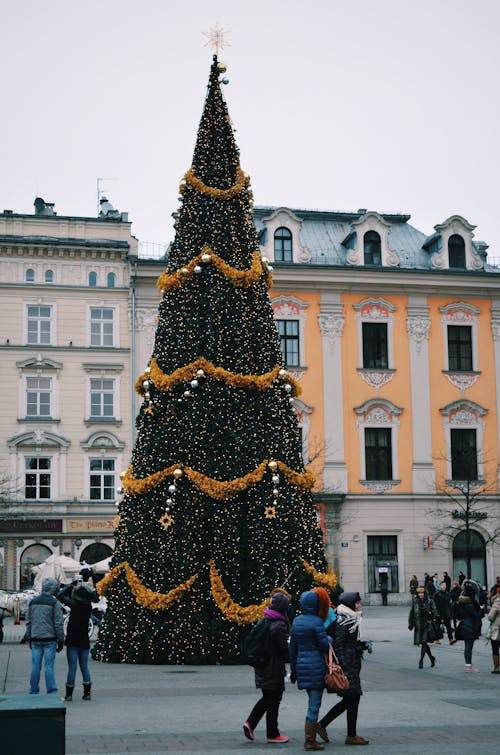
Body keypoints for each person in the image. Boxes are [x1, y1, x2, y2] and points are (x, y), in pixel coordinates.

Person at [316, 591, 369, 746]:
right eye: (357, 602)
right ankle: (350, 735)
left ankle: (325, 725)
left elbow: (348, 643)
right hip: (348, 666)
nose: (359, 605)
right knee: (353, 697)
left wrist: (361, 646)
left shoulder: (350, 618)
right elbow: (339, 645)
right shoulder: (343, 620)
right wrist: (345, 666)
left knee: (350, 699)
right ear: (350, 603)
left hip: (351, 663)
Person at [243, 590, 291, 744]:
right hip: (273, 668)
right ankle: (272, 733)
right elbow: (284, 650)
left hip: (261, 666)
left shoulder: (264, 620)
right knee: (273, 699)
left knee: (268, 698)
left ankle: (251, 724)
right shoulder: (280, 625)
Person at [290, 589, 331, 751]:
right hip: (316, 668)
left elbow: (292, 648)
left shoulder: (296, 621)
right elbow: (324, 645)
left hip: (302, 667)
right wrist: (329, 638)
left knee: (311, 702)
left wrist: (293, 669)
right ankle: (310, 740)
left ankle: (310, 738)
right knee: (314, 705)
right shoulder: (316, 622)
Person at [58, 579, 99, 701]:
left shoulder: (74, 604)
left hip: (72, 640)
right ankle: (87, 693)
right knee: (84, 667)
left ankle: (69, 694)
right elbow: (95, 595)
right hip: (84, 640)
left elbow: (60, 596)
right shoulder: (88, 606)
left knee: (72, 667)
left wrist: (70, 585)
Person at [26, 577, 65, 695]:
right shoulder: (55, 603)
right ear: (53, 589)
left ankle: (33, 690)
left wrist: (29, 636)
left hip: (35, 638)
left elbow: (28, 621)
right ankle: (51, 691)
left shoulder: (33, 602)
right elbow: (58, 624)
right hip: (50, 639)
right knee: (49, 667)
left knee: (35, 666)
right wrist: (61, 640)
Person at [455, 579, 483, 672]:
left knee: (467, 647)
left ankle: (468, 665)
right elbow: (476, 615)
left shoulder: (462, 603)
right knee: (468, 648)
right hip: (470, 627)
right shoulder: (470, 605)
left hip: (464, 626)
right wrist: (482, 610)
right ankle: (469, 666)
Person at [408, 586, 438, 669]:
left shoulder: (430, 601)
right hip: (418, 625)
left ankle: (421, 661)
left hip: (427, 625)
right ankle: (432, 658)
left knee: (424, 642)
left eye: (422, 593)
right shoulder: (415, 602)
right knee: (423, 643)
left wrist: (428, 613)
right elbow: (411, 613)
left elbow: (435, 614)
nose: (421, 594)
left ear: (425, 593)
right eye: (419, 593)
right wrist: (410, 623)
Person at [486, 585, 500, 674]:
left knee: (495, 647)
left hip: (496, 628)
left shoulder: (497, 601)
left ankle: (496, 667)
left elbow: (490, 617)